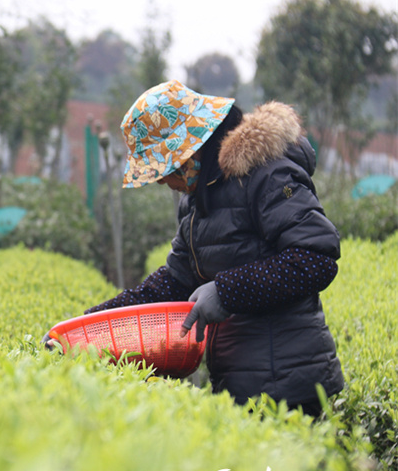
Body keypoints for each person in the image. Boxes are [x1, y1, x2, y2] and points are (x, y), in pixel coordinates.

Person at [47, 80, 344, 417]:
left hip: (290, 387)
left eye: (165, 169)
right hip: (236, 380)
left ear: (192, 150)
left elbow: (315, 257)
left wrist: (227, 291)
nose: (162, 181)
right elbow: (175, 280)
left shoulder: (267, 175)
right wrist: (86, 327)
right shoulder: (198, 198)